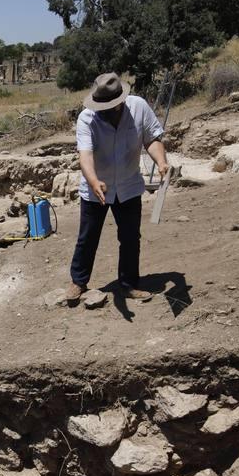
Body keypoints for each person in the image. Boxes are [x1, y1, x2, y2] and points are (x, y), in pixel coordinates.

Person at [67, 72, 169, 305]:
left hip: (129, 185)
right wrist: (93, 181)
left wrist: (161, 162)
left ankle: (129, 284)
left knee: (131, 237)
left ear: (120, 102)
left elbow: (152, 139)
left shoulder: (139, 108)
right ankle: (78, 281)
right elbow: (85, 155)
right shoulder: (87, 118)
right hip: (96, 189)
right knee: (88, 237)